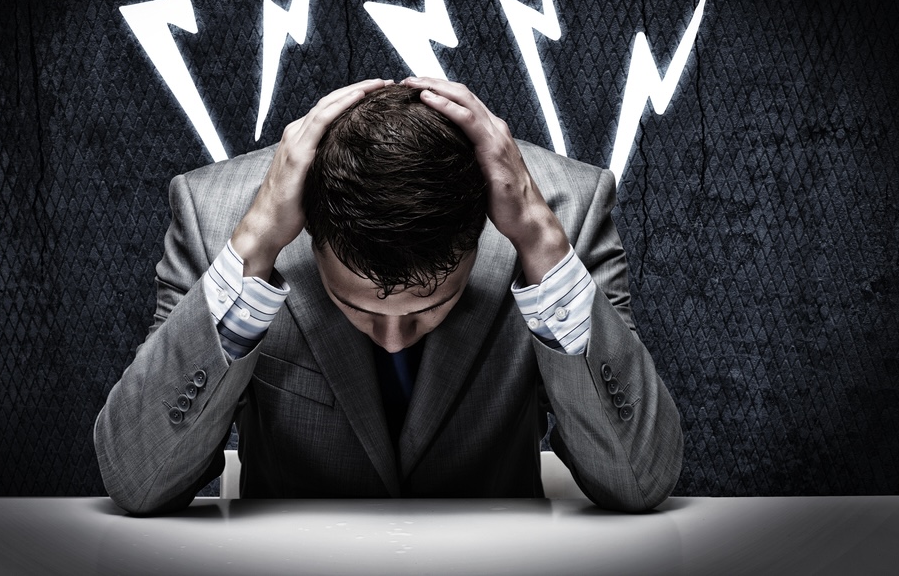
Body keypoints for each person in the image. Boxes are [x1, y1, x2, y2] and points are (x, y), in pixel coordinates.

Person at [94, 77, 682, 514]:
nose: (395, 340)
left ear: (477, 242)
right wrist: (250, 248)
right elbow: (138, 481)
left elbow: (639, 482)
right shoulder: (213, 215)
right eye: (359, 308)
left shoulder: (565, 214)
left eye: (430, 307)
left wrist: (541, 242)